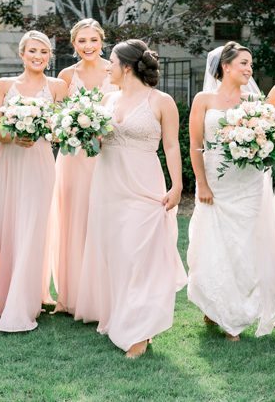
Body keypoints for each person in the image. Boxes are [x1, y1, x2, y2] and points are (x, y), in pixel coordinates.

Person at [74, 39, 186, 359]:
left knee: (140, 257)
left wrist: (177, 185)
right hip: (108, 185)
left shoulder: (161, 101)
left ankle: (140, 332)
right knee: (117, 257)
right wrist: (83, 136)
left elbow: (172, 147)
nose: (106, 66)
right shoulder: (106, 100)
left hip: (144, 186)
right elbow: (95, 147)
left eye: (110, 61)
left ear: (126, 67)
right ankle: (125, 319)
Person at [187, 42, 275, 341]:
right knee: (213, 243)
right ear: (225, 67)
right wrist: (201, 183)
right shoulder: (203, 99)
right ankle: (217, 306)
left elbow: (269, 141)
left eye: (250, 64)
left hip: (249, 182)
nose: (249, 69)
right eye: (243, 63)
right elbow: (196, 145)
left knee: (243, 248)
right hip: (216, 181)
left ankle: (236, 315)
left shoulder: (254, 102)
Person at [0, 31, 67, 332]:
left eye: (44, 52)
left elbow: (62, 130)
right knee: (5, 226)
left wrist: (43, 131)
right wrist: (16, 135)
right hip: (8, 162)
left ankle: (25, 299)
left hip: (40, 163)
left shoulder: (58, 87)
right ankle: (1, 294)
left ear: (49, 56)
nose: (38, 56)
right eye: (32, 51)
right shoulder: (5, 85)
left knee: (33, 227)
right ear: (22, 54)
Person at [47, 19, 117, 315]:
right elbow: (56, 120)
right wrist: (72, 128)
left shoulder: (115, 72)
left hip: (105, 157)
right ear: (73, 44)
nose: (88, 46)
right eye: (82, 41)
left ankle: (102, 295)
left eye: (93, 40)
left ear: (102, 41)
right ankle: (70, 295)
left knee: (101, 219)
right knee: (72, 219)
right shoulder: (65, 76)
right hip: (73, 159)